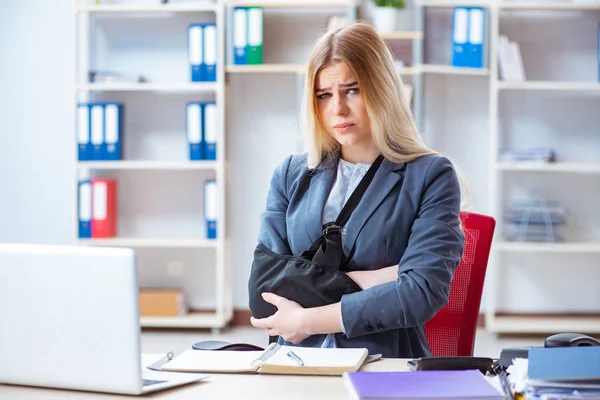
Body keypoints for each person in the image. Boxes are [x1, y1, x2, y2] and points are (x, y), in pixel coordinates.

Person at [248, 21, 465, 358]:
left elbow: (420, 292)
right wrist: (381, 277)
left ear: (381, 89)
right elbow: (265, 290)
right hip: (296, 359)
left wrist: (307, 318)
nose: (338, 109)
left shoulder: (430, 176)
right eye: (324, 95)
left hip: (383, 359)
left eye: (353, 90)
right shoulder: (291, 174)